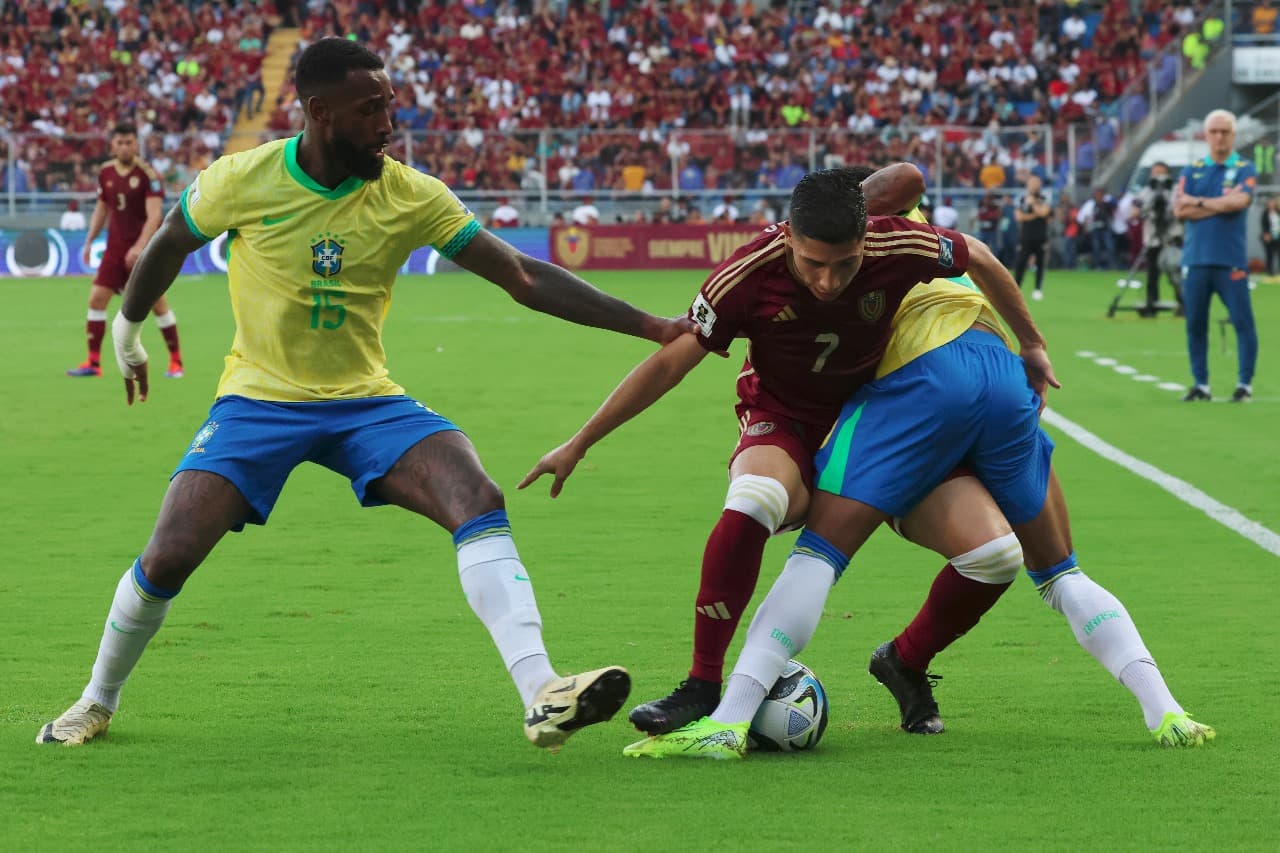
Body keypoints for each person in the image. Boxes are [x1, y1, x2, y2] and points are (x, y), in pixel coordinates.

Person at [36, 38, 693, 750]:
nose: (388, 124)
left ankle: (542, 690)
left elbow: (522, 276)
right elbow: (169, 240)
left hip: (367, 401)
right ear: (319, 113)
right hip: (260, 400)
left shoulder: (409, 193)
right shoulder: (242, 178)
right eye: (370, 109)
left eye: (389, 106)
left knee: (477, 495)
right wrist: (128, 328)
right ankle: (96, 701)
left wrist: (653, 325)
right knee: (167, 555)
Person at [616, 200, 1215, 758]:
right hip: (997, 373)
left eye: (841, 259)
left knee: (842, 552)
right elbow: (958, 233)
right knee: (1055, 569)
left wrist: (814, 219)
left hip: (926, 385)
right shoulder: (899, 241)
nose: (830, 277)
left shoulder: (883, 236)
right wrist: (1032, 345)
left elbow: (905, 183)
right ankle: (1166, 712)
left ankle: (735, 719)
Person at [520, 166, 1054, 737]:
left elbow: (981, 257)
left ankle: (905, 661)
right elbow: (671, 361)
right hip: (785, 421)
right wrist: (581, 442)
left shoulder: (897, 242)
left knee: (995, 557)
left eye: (844, 265)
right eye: (812, 264)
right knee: (755, 497)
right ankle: (702, 685)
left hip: (879, 424)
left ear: (864, 239)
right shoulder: (746, 274)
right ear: (789, 238)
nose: (827, 281)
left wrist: (1032, 343)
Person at [68, 123, 184, 380]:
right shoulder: (105, 172)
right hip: (113, 250)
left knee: (157, 303)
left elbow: (154, 216)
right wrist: (89, 240)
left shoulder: (148, 175)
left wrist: (140, 247)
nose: (124, 147)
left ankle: (176, 362)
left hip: (143, 252)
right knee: (96, 299)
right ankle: (93, 362)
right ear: (112, 145)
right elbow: (102, 209)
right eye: (119, 143)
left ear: (136, 144)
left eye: (129, 142)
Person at [1173, 109, 1257, 403]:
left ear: (1233, 135)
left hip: (1230, 260)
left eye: (1225, 132)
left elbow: (1241, 200)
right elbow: (1179, 210)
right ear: (1206, 135)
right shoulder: (1191, 169)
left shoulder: (1245, 167)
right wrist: (1221, 203)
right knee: (1195, 324)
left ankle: (1244, 384)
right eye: (1214, 132)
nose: (1219, 137)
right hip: (1195, 259)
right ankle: (1201, 385)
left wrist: (1198, 202)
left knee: (1243, 322)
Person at [1134, 162, 1185, 316]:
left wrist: (1171, 213)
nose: (1158, 177)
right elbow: (1135, 211)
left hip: (1172, 236)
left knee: (1175, 272)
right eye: (1155, 173)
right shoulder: (1145, 192)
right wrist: (1147, 210)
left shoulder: (1176, 191)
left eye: (1161, 173)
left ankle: (1183, 303)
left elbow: (1181, 211)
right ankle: (1152, 303)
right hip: (1153, 237)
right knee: (1152, 273)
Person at [1012, 173, 1051, 300]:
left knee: (1040, 262)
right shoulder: (1021, 199)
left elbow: (1044, 212)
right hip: (1026, 236)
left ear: (1040, 184)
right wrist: (1035, 215)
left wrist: (1033, 204)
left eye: (1036, 182)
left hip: (1041, 236)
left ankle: (1038, 289)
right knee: (1021, 262)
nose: (1034, 185)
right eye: (1032, 183)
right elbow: (1018, 217)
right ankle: (1015, 289)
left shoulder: (1044, 198)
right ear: (1028, 184)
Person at [1260, 196, 1280, 276]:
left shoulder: (1278, 212)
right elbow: (1264, 225)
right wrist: (1266, 234)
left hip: (1278, 236)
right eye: (1270, 202)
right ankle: (1269, 272)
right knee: (1269, 254)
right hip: (1269, 236)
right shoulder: (1265, 213)